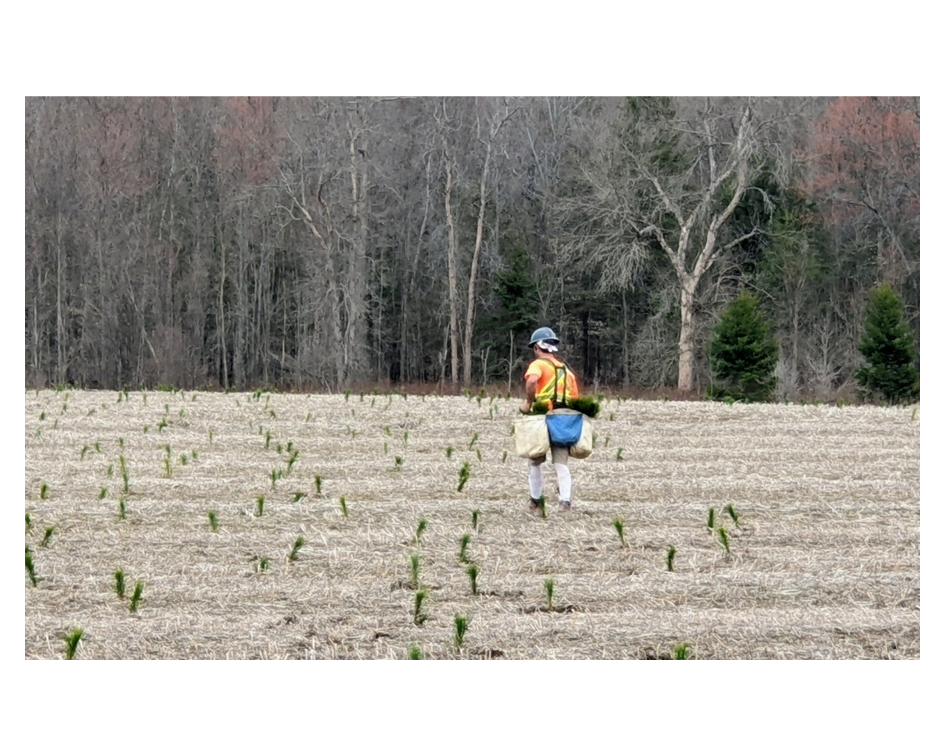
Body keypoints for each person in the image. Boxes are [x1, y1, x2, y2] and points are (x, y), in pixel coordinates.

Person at [519, 327, 580, 513]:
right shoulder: (566, 371)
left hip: (541, 418)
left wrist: (528, 403)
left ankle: (535, 502)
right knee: (561, 462)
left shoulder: (538, 365)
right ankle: (565, 503)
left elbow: (531, 381)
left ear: (538, 348)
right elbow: (575, 399)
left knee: (535, 460)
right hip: (563, 420)